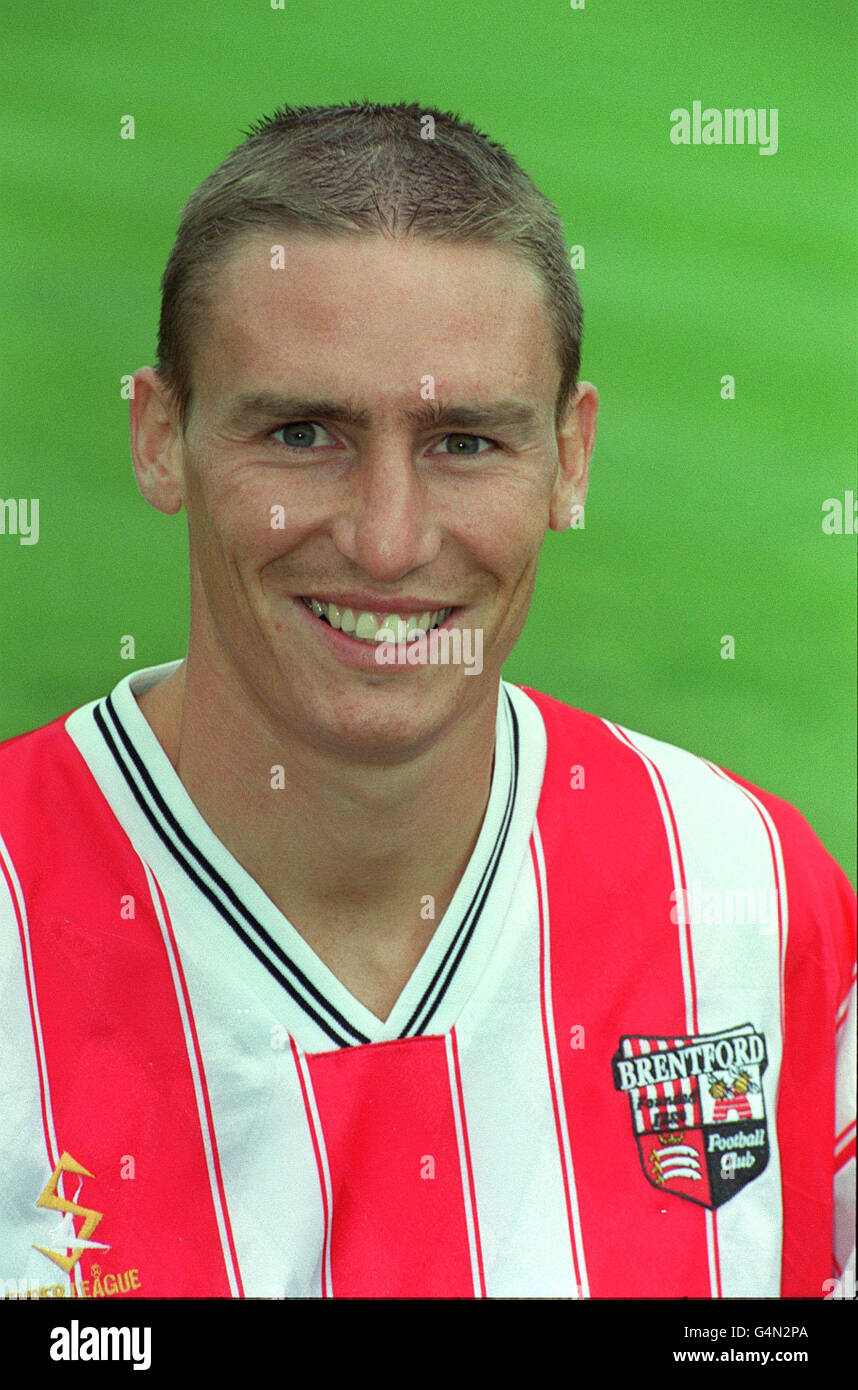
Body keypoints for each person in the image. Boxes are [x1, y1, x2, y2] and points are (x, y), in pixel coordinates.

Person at [0, 101, 853, 1301]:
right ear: (157, 436)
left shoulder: (750, 894)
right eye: (303, 433)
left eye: (463, 442)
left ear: (570, 460)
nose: (389, 542)